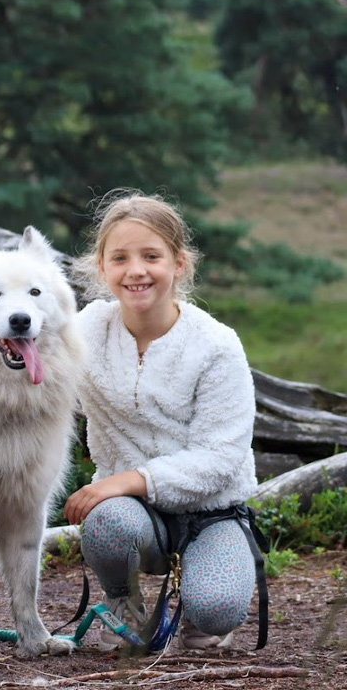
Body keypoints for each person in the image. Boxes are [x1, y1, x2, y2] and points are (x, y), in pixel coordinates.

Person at [63, 192, 264, 651]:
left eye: (151, 256)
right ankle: (123, 605)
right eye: (120, 258)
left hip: (212, 514)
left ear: (179, 263)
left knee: (216, 611)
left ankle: (202, 606)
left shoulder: (216, 345)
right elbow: (33, 380)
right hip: (132, 516)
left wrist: (128, 479)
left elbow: (221, 458)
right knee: (106, 521)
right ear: (102, 268)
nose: (136, 271)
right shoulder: (88, 329)